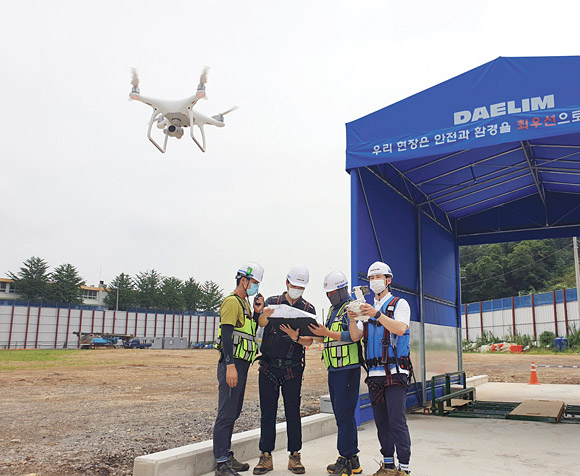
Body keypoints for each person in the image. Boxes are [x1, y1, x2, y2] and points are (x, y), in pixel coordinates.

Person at [350, 261, 412, 476]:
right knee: (382, 423)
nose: (374, 281)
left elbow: (401, 329)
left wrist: (377, 315)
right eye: (371, 278)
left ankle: (404, 468)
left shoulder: (399, 304)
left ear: (388, 279)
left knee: (397, 422)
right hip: (374, 375)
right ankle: (388, 466)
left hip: (395, 372)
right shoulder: (365, 309)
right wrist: (353, 318)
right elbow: (357, 336)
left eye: (378, 277)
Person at [253, 264, 315, 475]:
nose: (297, 289)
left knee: (292, 413)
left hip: (293, 368)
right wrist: (264, 313)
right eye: (294, 285)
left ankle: (295, 455)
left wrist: (295, 337)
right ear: (287, 283)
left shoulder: (308, 309)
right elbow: (261, 322)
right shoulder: (272, 302)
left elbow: (310, 341)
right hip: (269, 366)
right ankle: (265, 456)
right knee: (267, 413)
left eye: (301, 287)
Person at [213, 262, 274, 476]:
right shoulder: (232, 302)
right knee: (226, 412)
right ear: (244, 280)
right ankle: (221, 463)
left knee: (234, 412)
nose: (256, 288)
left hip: (242, 364)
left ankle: (226, 456)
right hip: (233, 364)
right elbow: (227, 335)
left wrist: (257, 313)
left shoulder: (245, 305)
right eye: (254, 283)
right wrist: (230, 366)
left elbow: (249, 332)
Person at [309, 271, 364, 476]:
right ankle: (353, 459)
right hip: (334, 369)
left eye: (331, 292)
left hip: (347, 369)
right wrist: (316, 334)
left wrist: (327, 333)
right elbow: (329, 339)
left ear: (342, 290)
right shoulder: (334, 309)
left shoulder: (353, 307)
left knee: (344, 415)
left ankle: (345, 458)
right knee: (343, 415)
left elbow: (354, 335)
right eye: (327, 292)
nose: (328, 295)